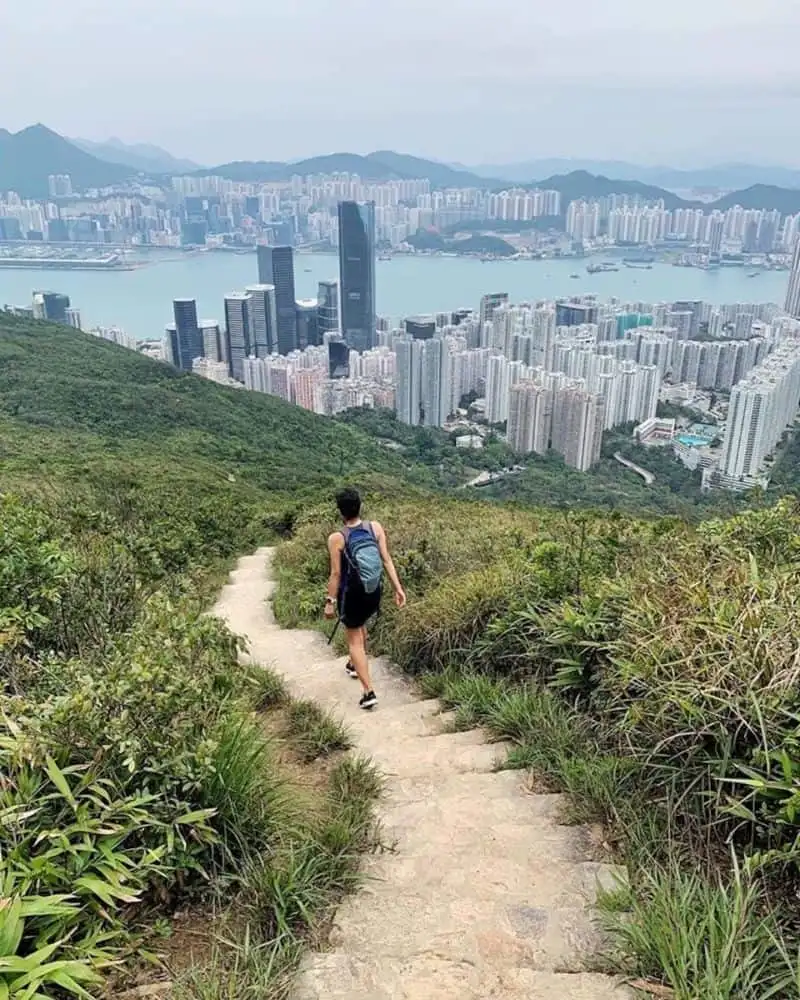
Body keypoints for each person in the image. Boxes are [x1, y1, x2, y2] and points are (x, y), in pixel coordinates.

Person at [324, 487, 406, 709]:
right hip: (374, 591)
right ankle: (353, 664)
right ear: (360, 506)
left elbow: (336, 573)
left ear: (341, 512)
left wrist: (330, 602)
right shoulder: (375, 527)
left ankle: (368, 692)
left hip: (352, 594)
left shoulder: (337, 538)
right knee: (360, 626)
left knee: (354, 640)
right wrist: (398, 589)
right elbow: (387, 560)